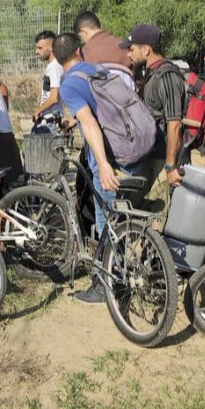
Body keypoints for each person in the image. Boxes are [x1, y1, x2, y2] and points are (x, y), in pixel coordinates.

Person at [54, 33, 131, 303]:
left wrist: (102, 164)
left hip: (108, 155)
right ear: (80, 51)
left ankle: (109, 286)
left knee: (107, 222)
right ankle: (123, 272)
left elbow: (91, 123)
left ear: (57, 57)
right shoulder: (99, 70)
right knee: (122, 220)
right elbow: (101, 109)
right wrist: (72, 120)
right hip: (128, 147)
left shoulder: (69, 84)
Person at [121, 24, 187, 201]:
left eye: (132, 49)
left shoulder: (167, 77)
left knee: (157, 215)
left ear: (146, 49)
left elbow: (174, 125)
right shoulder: (151, 73)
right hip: (151, 155)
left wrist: (170, 167)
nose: (128, 54)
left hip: (163, 159)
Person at [31, 31, 65, 131]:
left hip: (50, 123)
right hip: (45, 120)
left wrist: (37, 111)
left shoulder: (55, 67)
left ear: (51, 48)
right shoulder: (51, 66)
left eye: (40, 48)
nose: (36, 52)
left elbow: (54, 98)